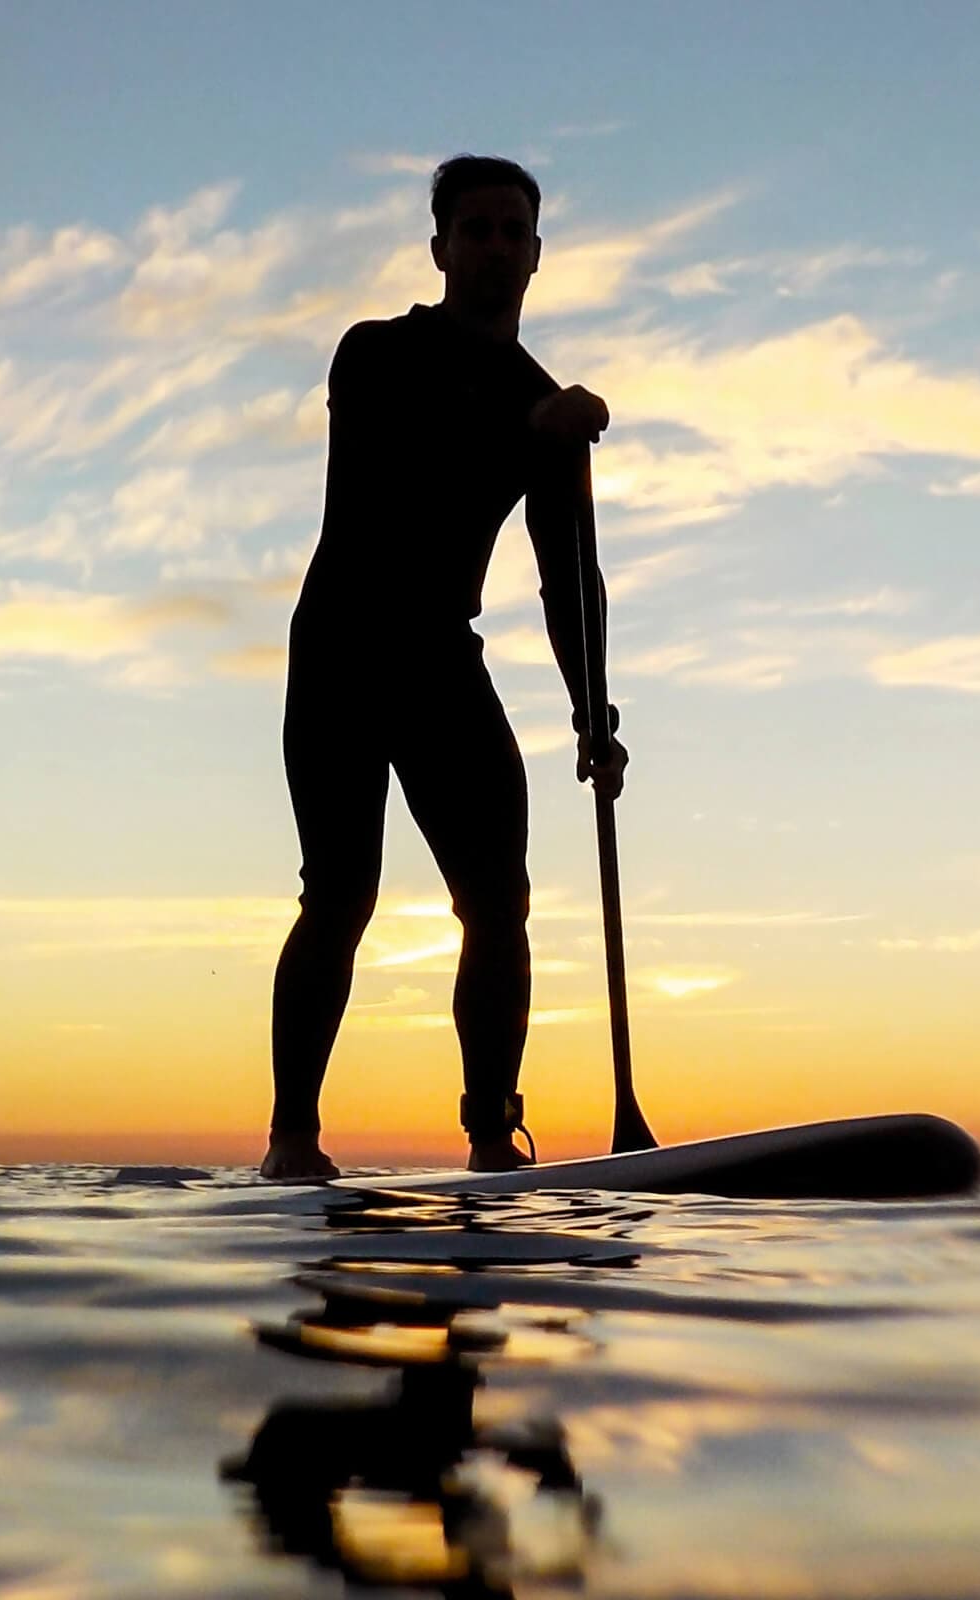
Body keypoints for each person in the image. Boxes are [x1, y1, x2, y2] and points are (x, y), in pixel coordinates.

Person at [260, 155, 627, 1182]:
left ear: (538, 255)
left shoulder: (544, 408)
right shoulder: (376, 353)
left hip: (437, 654)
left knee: (498, 900)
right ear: (441, 248)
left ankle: (490, 1135)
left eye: (515, 230)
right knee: (340, 893)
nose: (497, 246)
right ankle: (294, 1138)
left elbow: (572, 585)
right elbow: (402, 450)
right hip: (340, 645)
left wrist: (594, 716)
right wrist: (530, 430)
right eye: (477, 229)